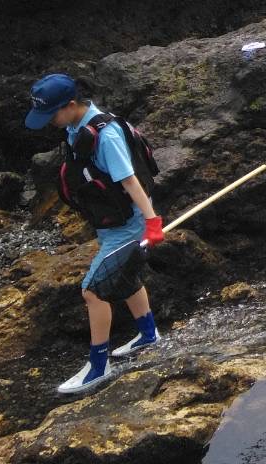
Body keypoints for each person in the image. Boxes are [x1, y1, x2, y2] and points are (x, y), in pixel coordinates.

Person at [25, 73, 165, 395]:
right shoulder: (76, 127)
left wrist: (152, 222)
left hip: (128, 225)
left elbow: (130, 181)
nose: (50, 123)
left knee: (93, 291)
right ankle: (148, 334)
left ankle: (98, 366)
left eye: (52, 115)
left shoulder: (108, 135)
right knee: (126, 276)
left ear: (71, 105)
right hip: (108, 224)